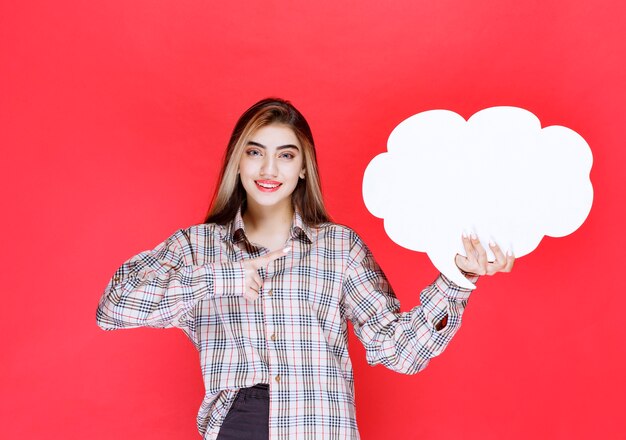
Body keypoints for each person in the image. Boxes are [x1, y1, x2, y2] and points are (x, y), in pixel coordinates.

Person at [96, 98, 514, 439]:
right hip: (239, 424)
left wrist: (458, 279)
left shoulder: (339, 247)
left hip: (320, 426)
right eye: (255, 152)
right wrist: (225, 278)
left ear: (302, 169)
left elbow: (397, 351)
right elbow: (113, 307)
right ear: (237, 163)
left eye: (285, 155)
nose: (269, 169)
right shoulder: (196, 246)